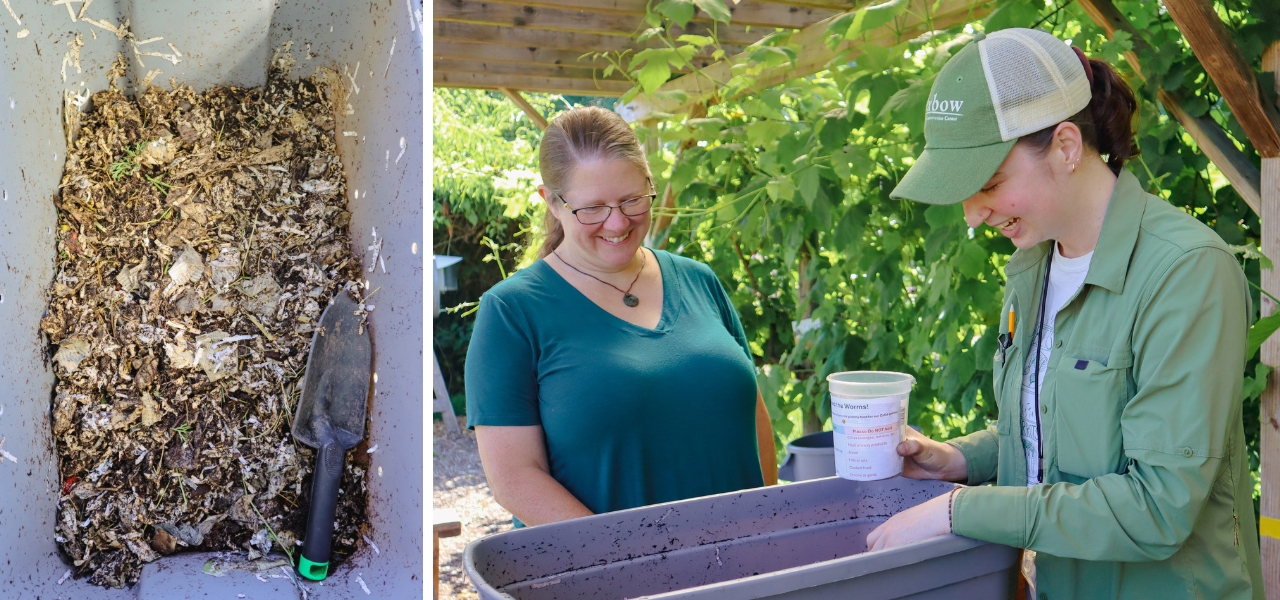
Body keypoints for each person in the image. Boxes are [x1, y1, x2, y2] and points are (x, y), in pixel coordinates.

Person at [866, 28, 1263, 599]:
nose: (974, 216)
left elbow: (1157, 507)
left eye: (990, 184)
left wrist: (960, 510)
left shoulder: (1185, 272)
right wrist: (960, 459)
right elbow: (1057, 427)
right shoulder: (1034, 267)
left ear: (1067, 147)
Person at [464, 106, 778, 527]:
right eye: (592, 208)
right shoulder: (512, 311)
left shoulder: (698, 279)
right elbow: (515, 479)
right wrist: (623, 564)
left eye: (632, 199)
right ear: (552, 203)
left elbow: (751, 413)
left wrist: (771, 523)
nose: (618, 222)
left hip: (746, 569)